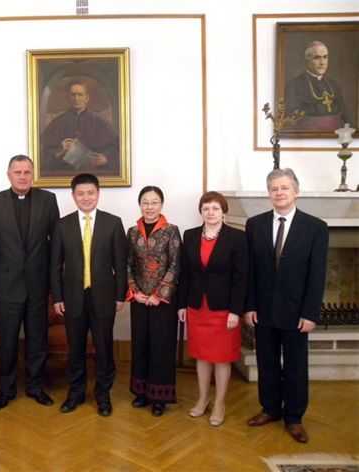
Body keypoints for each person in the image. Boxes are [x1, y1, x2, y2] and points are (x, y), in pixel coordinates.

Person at [244, 168, 328, 444]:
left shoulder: (316, 227)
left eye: (284, 188)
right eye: (274, 189)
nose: (279, 193)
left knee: (295, 366)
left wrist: (310, 313)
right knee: (266, 362)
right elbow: (250, 271)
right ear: (268, 194)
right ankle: (269, 409)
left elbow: (317, 275)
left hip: (296, 312)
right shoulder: (254, 225)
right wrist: (249, 306)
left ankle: (293, 417)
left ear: (296, 191)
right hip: (263, 310)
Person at [0, 155, 60, 410]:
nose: (23, 176)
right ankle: (6, 390)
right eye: (18, 172)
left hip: (38, 283)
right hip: (6, 284)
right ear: (9, 175)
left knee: (38, 340)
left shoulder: (48, 200)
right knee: (7, 341)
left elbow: (55, 245)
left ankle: (36, 387)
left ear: (33, 174)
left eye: (27, 172)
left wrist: (54, 284)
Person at [50, 173, 127, 416]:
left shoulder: (113, 223)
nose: (86, 198)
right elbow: (55, 265)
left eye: (90, 193)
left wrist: (120, 296)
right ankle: (76, 392)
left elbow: (120, 264)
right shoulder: (62, 225)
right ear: (73, 196)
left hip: (104, 297)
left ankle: (103, 394)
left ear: (98, 194)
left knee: (104, 348)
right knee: (76, 348)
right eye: (81, 193)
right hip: (72, 297)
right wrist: (58, 297)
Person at [177, 191, 248, 427]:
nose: (210, 213)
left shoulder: (237, 237)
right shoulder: (190, 236)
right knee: (201, 355)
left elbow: (241, 278)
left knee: (221, 357)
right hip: (197, 307)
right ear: (201, 211)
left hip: (224, 309)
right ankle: (203, 398)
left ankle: (219, 402)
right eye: (206, 208)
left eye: (215, 208)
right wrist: (182, 304)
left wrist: (236, 311)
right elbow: (185, 274)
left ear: (224, 212)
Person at [126, 186, 181, 417]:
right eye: (145, 202)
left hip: (163, 302)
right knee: (140, 344)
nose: (150, 207)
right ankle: (141, 393)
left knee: (161, 347)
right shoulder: (132, 232)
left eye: (154, 202)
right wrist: (134, 292)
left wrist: (159, 295)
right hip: (139, 299)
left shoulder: (171, 230)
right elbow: (127, 264)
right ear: (140, 205)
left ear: (161, 204)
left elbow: (175, 265)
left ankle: (159, 397)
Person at [40, 82, 119, 175]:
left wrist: (106, 159)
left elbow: (118, 150)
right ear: (68, 98)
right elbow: (42, 157)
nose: (76, 98)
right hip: (64, 174)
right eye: (72, 95)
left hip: (94, 174)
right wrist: (59, 151)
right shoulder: (57, 123)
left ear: (87, 98)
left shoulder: (100, 122)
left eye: (80, 94)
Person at [284, 41, 351, 131]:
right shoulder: (295, 85)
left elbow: (344, 116)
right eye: (317, 58)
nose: (322, 62)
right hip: (310, 134)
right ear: (307, 60)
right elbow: (291, 120)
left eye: (325, 57)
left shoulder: (333, 84)